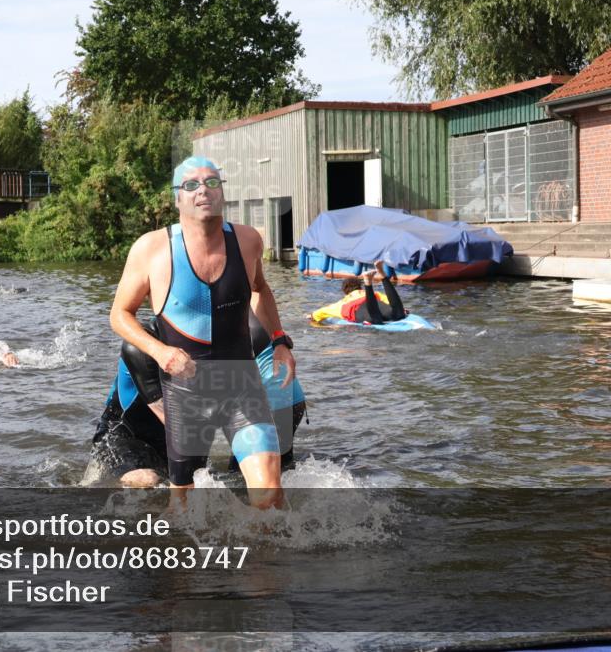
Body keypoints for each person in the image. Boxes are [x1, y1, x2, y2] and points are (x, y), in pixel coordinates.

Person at [110, 156, 294, 510]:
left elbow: (260, 289)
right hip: (186, 396)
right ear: (176, 197)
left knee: (269, 494)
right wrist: (161, 352)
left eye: (211, 182)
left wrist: (279, 340)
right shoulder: (151, 248)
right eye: (191, 185)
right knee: (183, 509)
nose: (203, 191)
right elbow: (120, 315)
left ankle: (269, 549)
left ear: (222, 192)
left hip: (241, 386)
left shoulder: (248, 240)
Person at [88, 313, 307, 488]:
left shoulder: (221, 346)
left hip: (177, 436)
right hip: (124, 438)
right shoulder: (143, 347)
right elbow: (173, 420)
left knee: (243, 484)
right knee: (148, 480)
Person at [310, 261, 407, 325]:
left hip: (363, 310)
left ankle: (368, 282)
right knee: (399, 314)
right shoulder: (376, 294)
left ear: (345, 292)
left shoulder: (343, 302)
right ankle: (381, 273)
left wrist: (312, 316)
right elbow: (389, 300)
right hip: (375, 302)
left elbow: (323, 311)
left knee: (375, 320)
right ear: (360, 287)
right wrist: (403, 310)